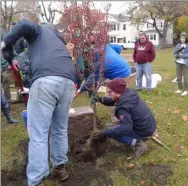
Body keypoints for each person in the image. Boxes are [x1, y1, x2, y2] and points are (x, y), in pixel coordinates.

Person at [1, 20, 77, 186]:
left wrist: (6, 44)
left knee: (38, 134)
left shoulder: (39, 31)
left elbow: (25, 25)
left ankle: (37, 180)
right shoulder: (58, 40)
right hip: (68, 83)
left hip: (46, 82)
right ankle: (59, 168)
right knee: (59, 129)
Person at [93, 78, 156, 158]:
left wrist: (104, 133)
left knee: (112, 131)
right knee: (113, 129)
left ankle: (138, 144)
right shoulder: (129, 94)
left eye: (110, 92)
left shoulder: (123, 108)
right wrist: (100, 99)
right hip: (148, 126)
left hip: (143, 130)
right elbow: (113, 100)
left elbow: (125, 128)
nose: (108, 94)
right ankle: (142, 137)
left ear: (117, 91)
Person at [173, 32, 188, 96]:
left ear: (186, 38)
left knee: (185, 77)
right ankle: (179, 89)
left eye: (183, 38)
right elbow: (174, 53)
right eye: (181, 38)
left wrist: (182, 56)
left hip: (186, 64)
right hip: (178, 63)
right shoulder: (178, 45)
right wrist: (176, 56)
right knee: (178, 77)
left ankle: (185, 90)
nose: (182, 39)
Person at [1, 28, 11, 101]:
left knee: (6, 87)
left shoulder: (5, 46)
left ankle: (7, 103)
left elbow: (14, 55)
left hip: (5, 68)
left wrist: (10, 64)